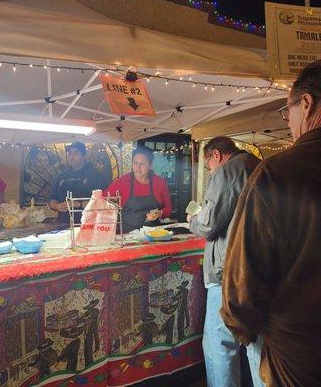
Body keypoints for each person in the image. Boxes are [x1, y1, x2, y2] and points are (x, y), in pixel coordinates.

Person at [221, 60, 321, 386]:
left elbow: (241, 287)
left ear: (306, 105)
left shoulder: (277, 175)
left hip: (296, 358)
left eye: (287, 111)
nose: (288, 122)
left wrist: (243, 331)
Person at [187, 136, 260, 387]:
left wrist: (192, 221)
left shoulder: (228, 171)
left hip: (228, 271)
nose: (211, 171)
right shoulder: (260, 165)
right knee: (256, 344)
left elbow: (208, 224)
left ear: (216, 155)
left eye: (209, 166)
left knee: (219, 342)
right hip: (260, 268)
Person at [104, 146, 172, 233]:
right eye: (135, 163)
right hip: (127, 234)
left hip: (153, 233)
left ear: (150, 165)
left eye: (142, 164)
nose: (138, 167)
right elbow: (103, 198)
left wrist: (160, 213)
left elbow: (168, 209)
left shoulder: (160, 183)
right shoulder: (123, 181)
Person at [49, 142, 108, 224]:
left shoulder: (95, 175)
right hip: (64, 224)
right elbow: (52, 201)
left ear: (84, 156)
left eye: (75, 153)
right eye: (69, 153)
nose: (71, 157)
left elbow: (103, 201)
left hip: (88, 224)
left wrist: (78, 204)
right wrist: (57, 206)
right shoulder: (61, 176)